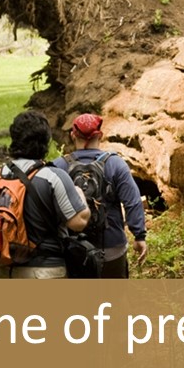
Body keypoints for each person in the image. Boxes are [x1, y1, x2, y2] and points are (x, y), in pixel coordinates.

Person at [0, 110, 89, 279]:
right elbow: (78, 222)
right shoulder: (54, 177)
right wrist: (79, 195)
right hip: (44, 273)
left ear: (14, 139)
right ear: (46, 142)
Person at [53, 113, 147, 278]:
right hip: (112, 248)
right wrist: (139, 236)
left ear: (73, 135)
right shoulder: (116, 164)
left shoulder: (59, 166)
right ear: (100, 135)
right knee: (112, 299)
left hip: (73, 249)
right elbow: (132, 202)